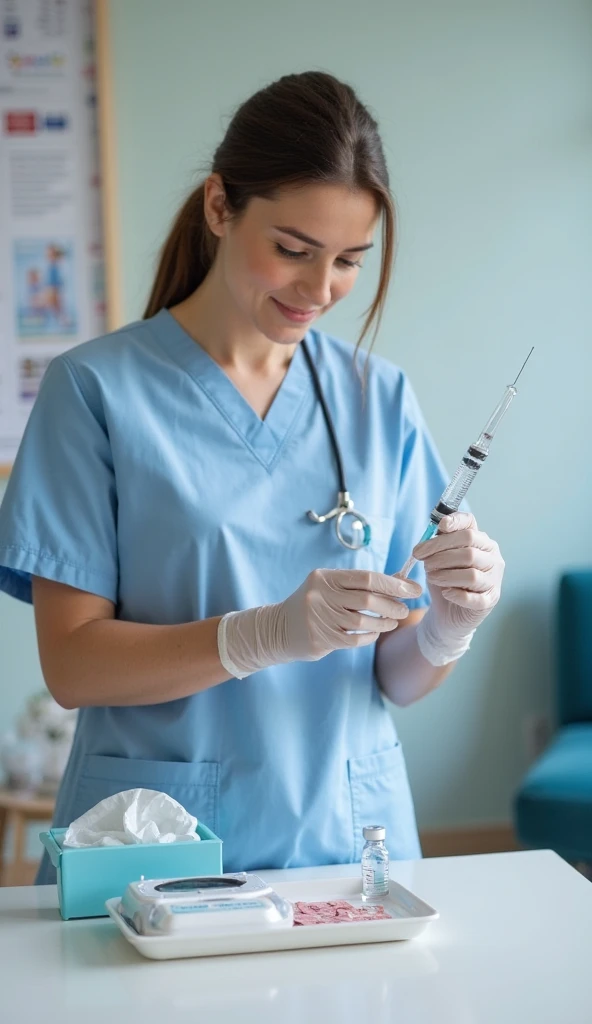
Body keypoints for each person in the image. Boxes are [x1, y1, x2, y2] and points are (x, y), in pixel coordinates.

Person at [0, 72, 504, 882]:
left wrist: (452, 621)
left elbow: (397, 678)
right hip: (153, 856)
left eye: (348, 261)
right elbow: (72, 667)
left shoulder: (379, 399)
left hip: (348, 847)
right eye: (293, 251)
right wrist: (260, 634)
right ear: (218, 207)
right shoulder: (95, 392)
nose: (319, 289)